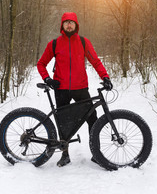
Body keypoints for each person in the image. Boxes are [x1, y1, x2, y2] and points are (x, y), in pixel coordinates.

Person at [37, 12, 113, 167]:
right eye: (66, 22)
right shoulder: (55, 43)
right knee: (63, 122)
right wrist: (47, 79)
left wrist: (105, 77)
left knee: (92, 119)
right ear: (62, 25)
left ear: (76, 25)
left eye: (71, 22)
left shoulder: (84, 42)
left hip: (80, 88)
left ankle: (95, 153)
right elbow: (41, 64)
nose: (69, 25)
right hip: (61, 88)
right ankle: (65, 155)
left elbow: (96, 62)